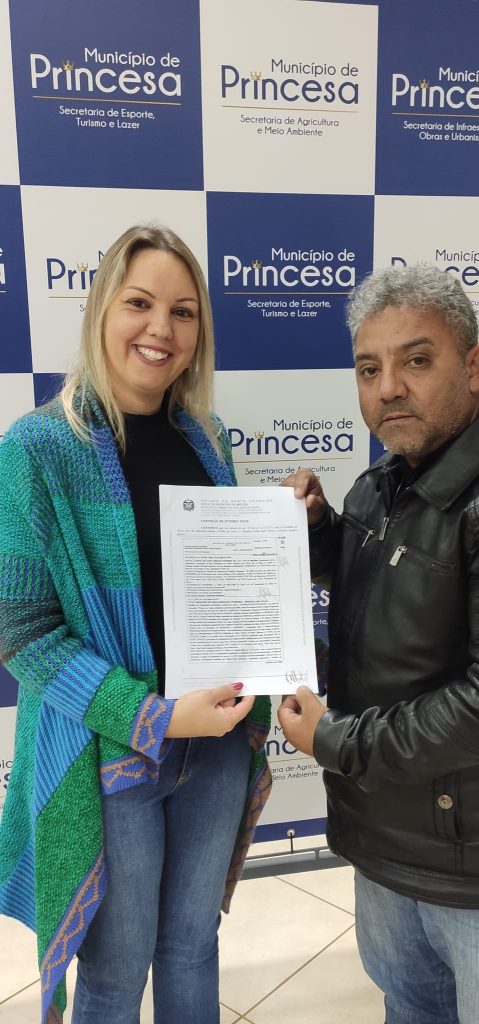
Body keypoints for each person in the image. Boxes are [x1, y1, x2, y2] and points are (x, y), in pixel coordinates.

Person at [279, 264, 479, 1024]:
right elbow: (391, 589)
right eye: (368, 368)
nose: (389, 388)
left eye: (417, 360)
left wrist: (339, 741)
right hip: (385, 834)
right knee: (411, 1009)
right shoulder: (382, 483)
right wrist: (317, 535)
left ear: (474, 366)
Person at [0, 224, 272, 1024]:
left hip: (216, 745)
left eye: (183, 312)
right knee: (115, 976)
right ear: (102, 311)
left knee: (192, 948)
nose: (161, 329)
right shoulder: (37, 449)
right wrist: (153, 718)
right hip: (111, 756)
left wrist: (282, 541)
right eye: (140, 304)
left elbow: (225, 588)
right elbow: (23, 633)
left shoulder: (208, 441)